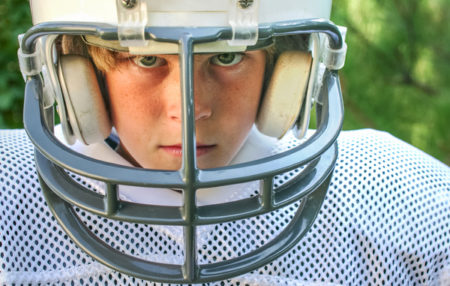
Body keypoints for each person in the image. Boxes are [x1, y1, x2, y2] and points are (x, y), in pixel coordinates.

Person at [1, 0, 449, 285]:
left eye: (228, 56)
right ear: (76, 73)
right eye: (148, 58)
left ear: (290, 71)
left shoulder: (397, 199)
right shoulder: (10, 202)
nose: (191, 108)